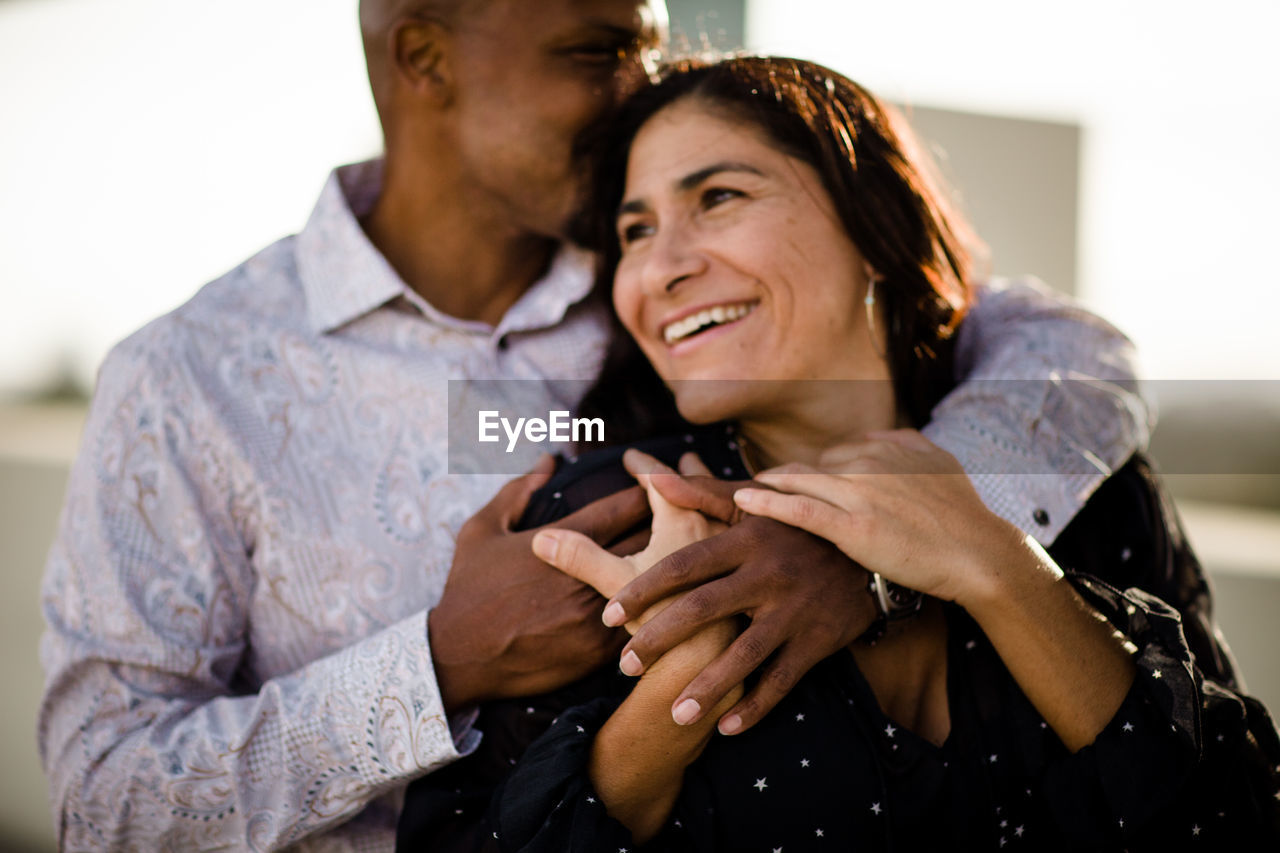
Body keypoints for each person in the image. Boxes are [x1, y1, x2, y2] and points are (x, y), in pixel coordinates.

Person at [38, 3, 1160, 850]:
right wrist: (437, 663)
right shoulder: (190, 377)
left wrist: (868, 554)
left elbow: (1068, 355)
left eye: (650, 40)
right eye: (596, 50)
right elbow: (105, 799)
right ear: (425, 56)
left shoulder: (685, 288)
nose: (643, 81)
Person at [398, 56, 1280, 851]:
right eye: (634, 231)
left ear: (872, 224)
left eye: (719, 198)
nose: (660, 267)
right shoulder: (613, 520)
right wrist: (678, 691)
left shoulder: (1087, 487)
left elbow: (1236, 819)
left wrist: (1001, 569)